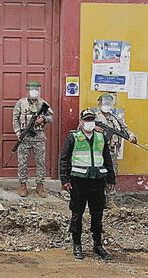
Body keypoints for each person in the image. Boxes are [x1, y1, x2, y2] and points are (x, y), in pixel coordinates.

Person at [60, 109, 115, 260]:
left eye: (91, 119)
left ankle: (98, 246)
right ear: (81, 121)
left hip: (97, 181)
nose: (89, 122)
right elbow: (64, 159)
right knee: (77, 213)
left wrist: (111, 178)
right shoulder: (74, 137)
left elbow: (107, 159)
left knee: (97, 214)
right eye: (86, 119)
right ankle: (77, 245)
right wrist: (64, 180)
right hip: (78, 182)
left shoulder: (101, 137)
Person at [94, 93, 136, 208]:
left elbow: (125, 129)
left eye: (109, 103)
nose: (106, 105)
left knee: (111, 175)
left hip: (112, 152)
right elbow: (82, 127)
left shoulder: (115, 118)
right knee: (97, 175)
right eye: (104, 102)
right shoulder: (94, 116)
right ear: (99, 103)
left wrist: (131, 136)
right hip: (98, 151)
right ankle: (97, 200)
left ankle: (110, 200)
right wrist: (94, 127)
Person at [12, 81, 54, 198]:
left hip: (39, 137)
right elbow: (15, 118)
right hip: (24, 137)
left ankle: (40, 185)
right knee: (22, 162)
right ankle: (22, 185)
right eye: (32, 89)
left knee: (41, 162)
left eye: (36, 89)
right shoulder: (20, 103)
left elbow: (52, 117)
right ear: (28, 90)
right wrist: (18, 132)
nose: (34, 91)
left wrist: (43, 119)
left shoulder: (43, 103)